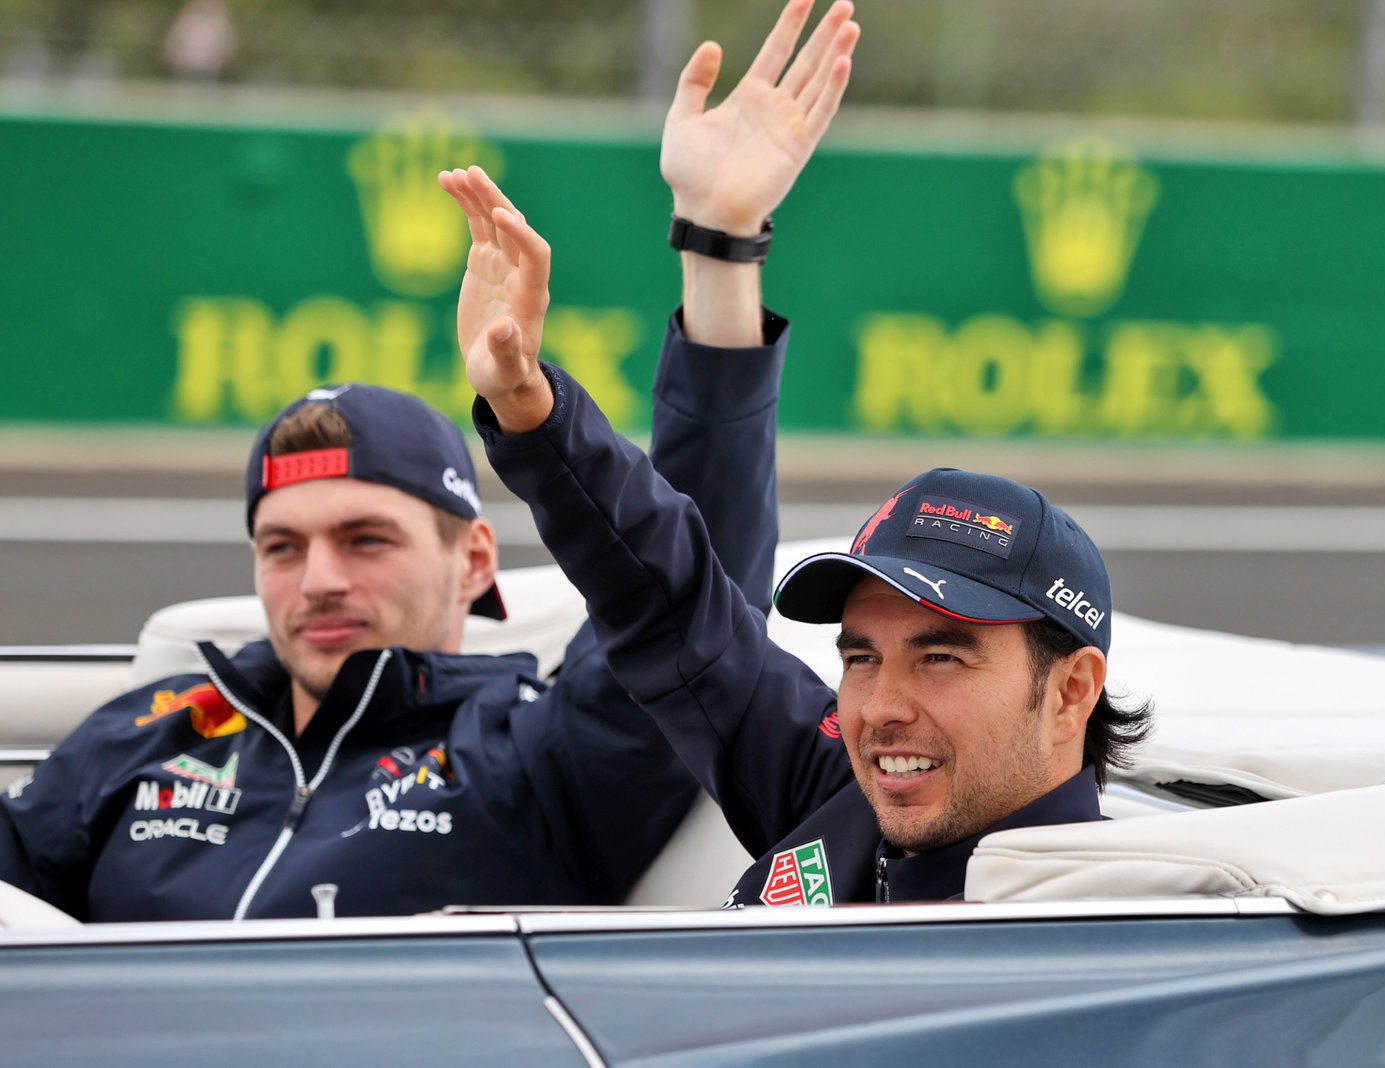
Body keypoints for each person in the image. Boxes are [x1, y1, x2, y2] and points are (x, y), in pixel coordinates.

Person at [0, 0, 860, 921]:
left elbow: (687, 587)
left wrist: (717, 247)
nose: (317, 580)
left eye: (367, 539)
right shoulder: (151, 728)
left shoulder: (534, 755)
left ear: (475, 561)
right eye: (282, 547)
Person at [450, 84, 1152, 907]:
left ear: (1071, 690)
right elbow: (671, 599)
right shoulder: (844, 785)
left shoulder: (1116, 921)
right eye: (859, 657)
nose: (881, 708)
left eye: (940, 658)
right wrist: (532, 411)